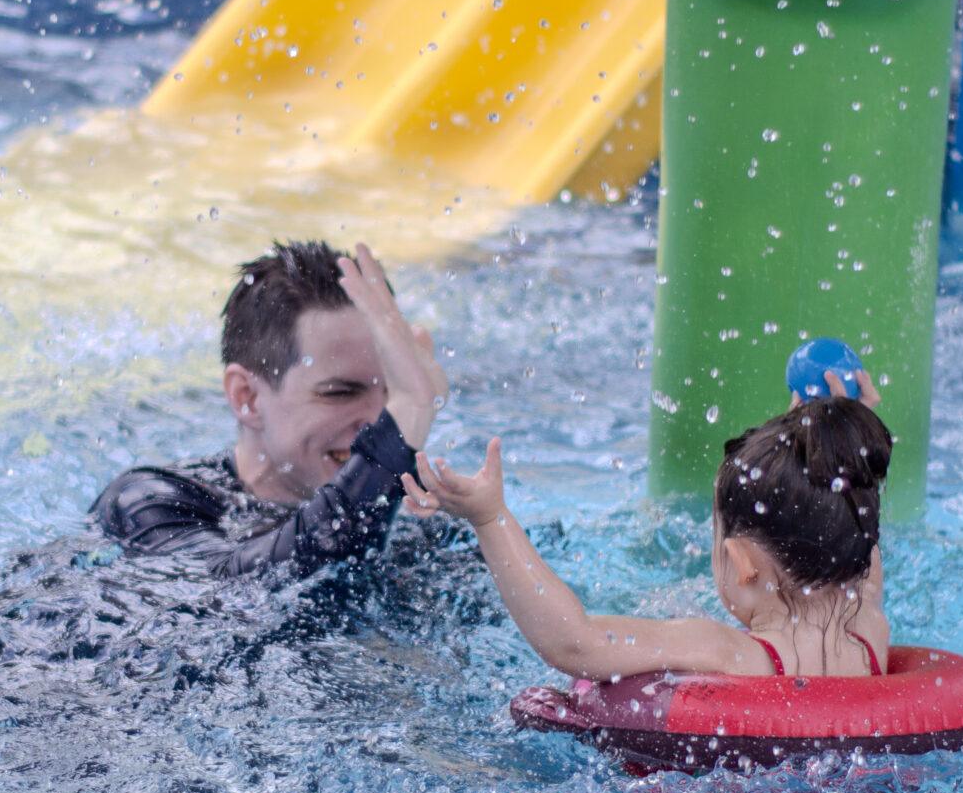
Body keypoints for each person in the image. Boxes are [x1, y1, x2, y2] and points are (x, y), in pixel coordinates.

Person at [402, 390, 894, 682]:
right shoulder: (870, 632)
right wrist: (838, 447)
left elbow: (575, 643)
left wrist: (490, 518)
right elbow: (855, 532)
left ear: (741, 561)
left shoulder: (728, 653)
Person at [91, 240, 449, 578]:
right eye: (340, 392)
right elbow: (229, 590)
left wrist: (479, 519)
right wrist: (407, 412)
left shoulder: (414, 518)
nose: (378, 419)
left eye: (393, 392)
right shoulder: (146, 504)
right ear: (247, 397)